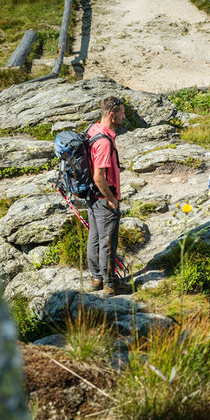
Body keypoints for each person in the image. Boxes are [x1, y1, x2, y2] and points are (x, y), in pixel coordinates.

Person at [87, 95, 128, 296]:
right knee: (107, 243)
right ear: (112, 115)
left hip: (92, 199)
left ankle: (96, 278)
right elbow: (98, 176)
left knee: (94, 238)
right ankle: (110, 284)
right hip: (104, 200)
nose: (124, 116)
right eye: (122, 113)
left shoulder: (93, 130)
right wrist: (111, 199)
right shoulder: (104, 142)